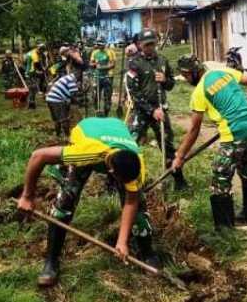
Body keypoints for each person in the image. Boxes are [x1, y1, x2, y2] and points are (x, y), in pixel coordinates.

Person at [16, 117, 158, 287]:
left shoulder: (137, 163)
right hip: (88, 132)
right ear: (111, 172)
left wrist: (121, 241)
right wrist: (27, 196)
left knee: (139, 207)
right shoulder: (85, 153)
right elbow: (38, 156)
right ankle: (51, 261)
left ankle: (147, 251)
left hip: (115, 129)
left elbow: (131, 201)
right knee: (66, 199)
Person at [173, 55, 247, 230]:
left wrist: (179, 156)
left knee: (220, 179)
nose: (185, 80)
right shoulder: (222, 71)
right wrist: (245, 106)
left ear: (189, 73)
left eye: (185, 76)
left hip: (235, 132)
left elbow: (194, 130)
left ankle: (224, 229)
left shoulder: (199, 92)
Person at [126, 28, 188, 190]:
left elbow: (171, 85)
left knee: (168, 145)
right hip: (141, 111)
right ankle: (116, 181)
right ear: (140, 45)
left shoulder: (163, 61)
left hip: (161, 109)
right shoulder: (134, 64)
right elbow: (134, 93)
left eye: (152, 44)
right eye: (146, 45)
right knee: (129, 145)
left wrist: (165, 79)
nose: (150, 47)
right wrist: (151, 111)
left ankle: (179, 181)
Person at [45, 72, 80, 139]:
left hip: (50, 99)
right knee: (64, 119)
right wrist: (79, 103)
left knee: (56, 119)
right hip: (57, 100)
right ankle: (68, 136)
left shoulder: (66, 78)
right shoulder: (71, 80)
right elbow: (73, 96)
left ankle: (58, 135)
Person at [90, 39, 116, 117]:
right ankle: (97, 111)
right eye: (98, 44)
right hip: (97, 77)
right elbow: (91, 63)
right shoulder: (95, 52)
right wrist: (94, 64)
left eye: (101, 44)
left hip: (108, 77)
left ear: (104, 44)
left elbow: (113, 64)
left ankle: (106, 113)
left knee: (107, 96)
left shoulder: (110, 52)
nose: (100, 46)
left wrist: (103, 67)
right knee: (95, 96)